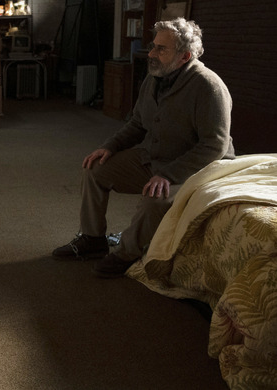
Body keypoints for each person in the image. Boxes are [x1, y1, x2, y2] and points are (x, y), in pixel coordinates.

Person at [52, 18, 235, 278]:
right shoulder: (154, 78)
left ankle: (126, 254)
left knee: (154, 200)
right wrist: (110, 146)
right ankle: (93, 239)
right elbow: (138, 123)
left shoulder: (209, 86)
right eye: (153, 46)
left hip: (194, 169)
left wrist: (168, 175)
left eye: (161, 49)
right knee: (95, 169)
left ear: (185, 56)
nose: (151, 54)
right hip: (153, 157)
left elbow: (214, 145)